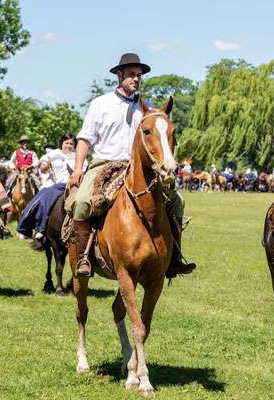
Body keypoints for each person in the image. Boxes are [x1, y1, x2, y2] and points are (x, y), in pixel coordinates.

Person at [68, 52, 196, 278]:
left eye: (139, 75)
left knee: (177, 201)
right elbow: (85, 139)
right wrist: (78, 168)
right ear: (119, 75)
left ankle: (174, 258)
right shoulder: (100, 103)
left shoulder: (146, 111)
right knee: (81, 202)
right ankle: (83, 258)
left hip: (137, 168)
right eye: (130, 74)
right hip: (104, 164)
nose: (135, 79)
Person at [17, 134, 87, 247]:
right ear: (62, 144)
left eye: (71, 144)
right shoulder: (53, 154)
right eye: (66, 143)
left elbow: (83, 169)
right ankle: (37, 227)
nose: (69, 146)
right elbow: (42, 167)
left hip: (75, 185)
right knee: (44, 196)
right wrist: (45, 166)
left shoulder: (78, 156)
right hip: (58, 184)